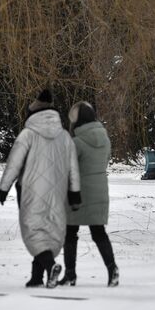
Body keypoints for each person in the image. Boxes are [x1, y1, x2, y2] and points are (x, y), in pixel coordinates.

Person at [0, 89, 81, 289]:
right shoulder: (64, 136)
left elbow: (14, 163)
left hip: (30, 191)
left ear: (32, 114)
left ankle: (50, 266)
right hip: (57, 192)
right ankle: (37, 277)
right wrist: (75, 193)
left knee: (33, 230)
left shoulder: (28, 134)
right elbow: (73, 168)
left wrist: (3, 189)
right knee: (49, 231)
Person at [58, 101, 119, 287]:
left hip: (78, 193)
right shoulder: (105, 140)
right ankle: (112, 269)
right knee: (99, 232)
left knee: (70, 233)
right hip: (100, 191)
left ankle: (70, 275)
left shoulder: (76, 142)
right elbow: (106, 161)